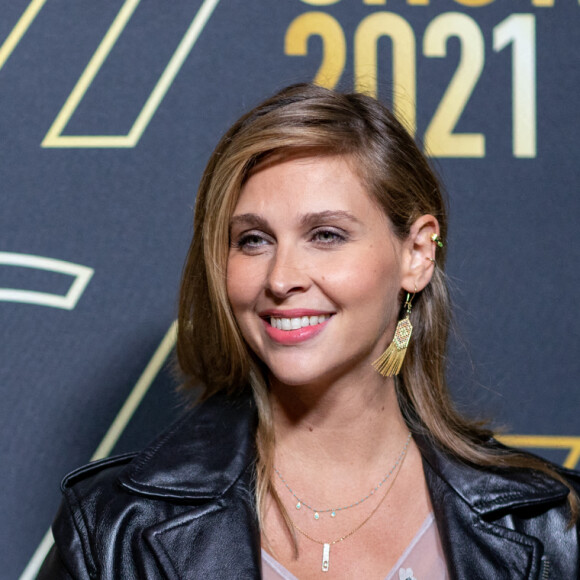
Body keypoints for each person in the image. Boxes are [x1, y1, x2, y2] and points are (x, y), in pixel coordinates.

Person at [39, 83, 580, 580]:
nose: (280, 279)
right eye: (252, 240)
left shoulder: (552, 525)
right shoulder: (112, 527)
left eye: (325, 234)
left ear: (417, 253)